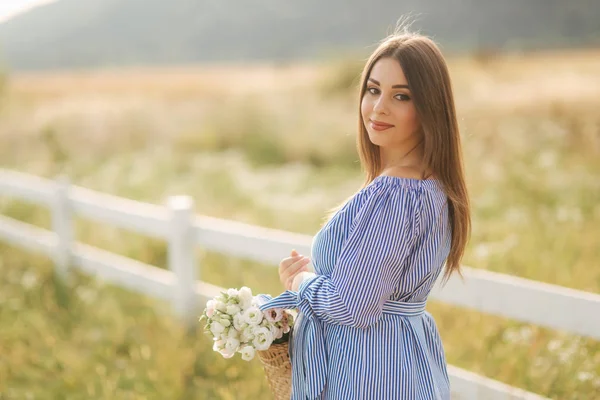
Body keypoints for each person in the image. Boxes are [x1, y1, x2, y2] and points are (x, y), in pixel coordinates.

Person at [258, 26, 471, 400]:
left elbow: (351, 306)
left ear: (429, 108)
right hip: (399, 364)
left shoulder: (396, 194)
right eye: (373, 90)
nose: (378, 107)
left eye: (401, 96)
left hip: (367, 373)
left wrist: (301, 282)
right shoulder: (432, 186)